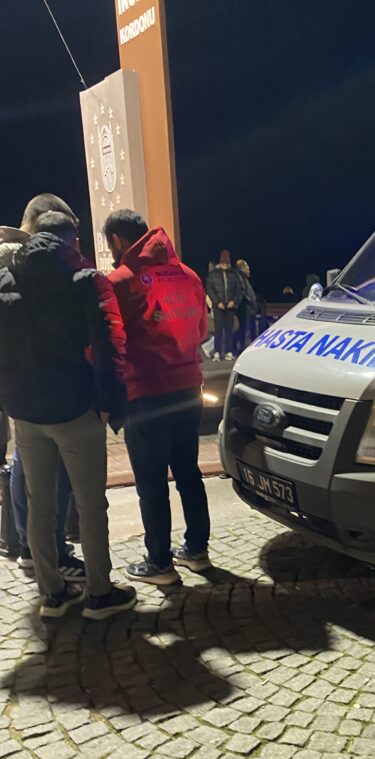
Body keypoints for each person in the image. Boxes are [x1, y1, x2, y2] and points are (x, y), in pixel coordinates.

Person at [0, 211, 135, 619]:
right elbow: (107, 345)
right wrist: (111, 403)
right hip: (76, 409)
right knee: (91, 505)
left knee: (39, 504)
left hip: (25, 413)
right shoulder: (84, 280)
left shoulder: (5, 278)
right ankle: (99, 594)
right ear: (71, 241)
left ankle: (52, 595)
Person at [104, 209, 212, 586]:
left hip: (146, 394)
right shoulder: (189, 276)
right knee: (188, 473)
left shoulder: (121, 281)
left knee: (151, 482)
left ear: (117, 240)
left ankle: (159, 562)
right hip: (188, 388)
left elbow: (110, 341)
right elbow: (202, 329)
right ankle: (197, 550)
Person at [0, 195, 97, 583]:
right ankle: (50, 557)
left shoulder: (11, 258)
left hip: (18, 389)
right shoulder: (25, 261)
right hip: (48, 389)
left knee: (27, 472)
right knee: (51, 482)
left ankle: (34, 555)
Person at [206, 250, 243, 361]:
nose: (225, 265)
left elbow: (239, 289)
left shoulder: (235, 274)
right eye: (223, 263)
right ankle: (217, 352)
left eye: (227, 263)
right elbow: (210, 289)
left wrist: (234, 301)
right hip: (218, 307)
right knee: (218, 330)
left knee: (229, 330)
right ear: (220, 262)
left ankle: (228, 352)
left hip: (230, 307)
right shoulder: (213, 275)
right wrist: (217, 302)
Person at [234, 259, 258, 354]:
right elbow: (242, 292)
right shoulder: (239, 277)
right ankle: (239, 348)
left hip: (247, 307)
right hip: (243, 307)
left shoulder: (243, 277)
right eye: (246, 266)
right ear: (242, 267)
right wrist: (249, 302)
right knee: (241, 328)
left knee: (243, 328)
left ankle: (239, 347)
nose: (248, 268)